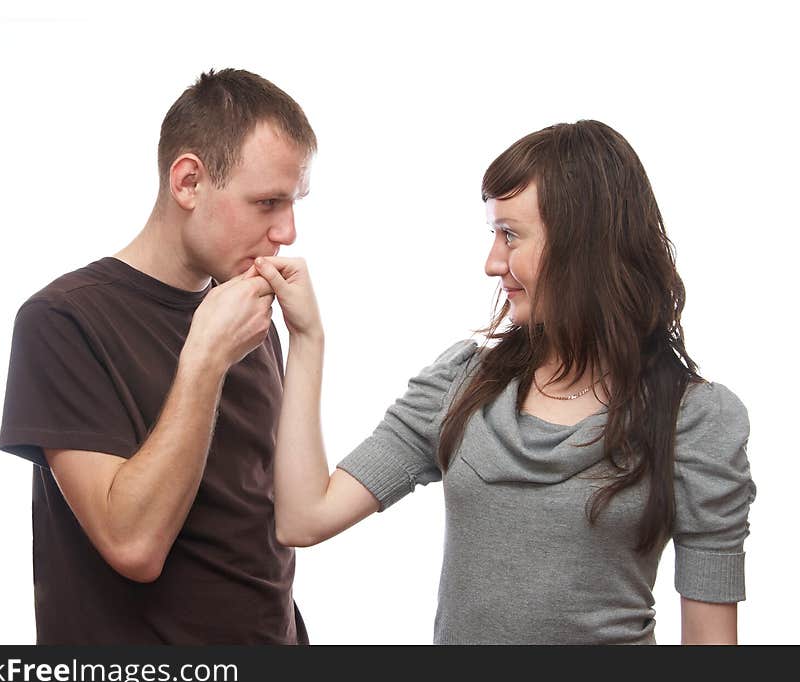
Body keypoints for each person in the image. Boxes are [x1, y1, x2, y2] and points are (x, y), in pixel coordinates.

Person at [252, 120, 756, 645]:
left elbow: (710, 645)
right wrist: (307, 338)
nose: (493, 262)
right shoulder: (462, 385)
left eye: (510, 235)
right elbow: (303, 518)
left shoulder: (695, 420)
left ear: (583, 246)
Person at [0, 68, 316, 644]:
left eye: (292, 203)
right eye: (267, 202)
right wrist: (204, 359)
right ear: (189, 181)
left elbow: (260, 531)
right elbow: (132, 544)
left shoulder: (241, 308)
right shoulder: (63, 321)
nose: (288, 231)